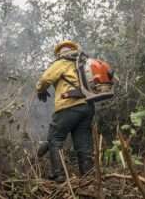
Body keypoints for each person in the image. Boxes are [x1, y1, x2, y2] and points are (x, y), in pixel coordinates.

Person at [36, 40, 95, 183]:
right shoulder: (84, 63)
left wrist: (40, 90)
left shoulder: (62, 62)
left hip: (68, 105)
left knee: (54, 139)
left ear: (59, 53)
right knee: (83, 143)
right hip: (87, 106)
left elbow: (45, 79)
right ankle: (88, 176)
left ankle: (59, 175)